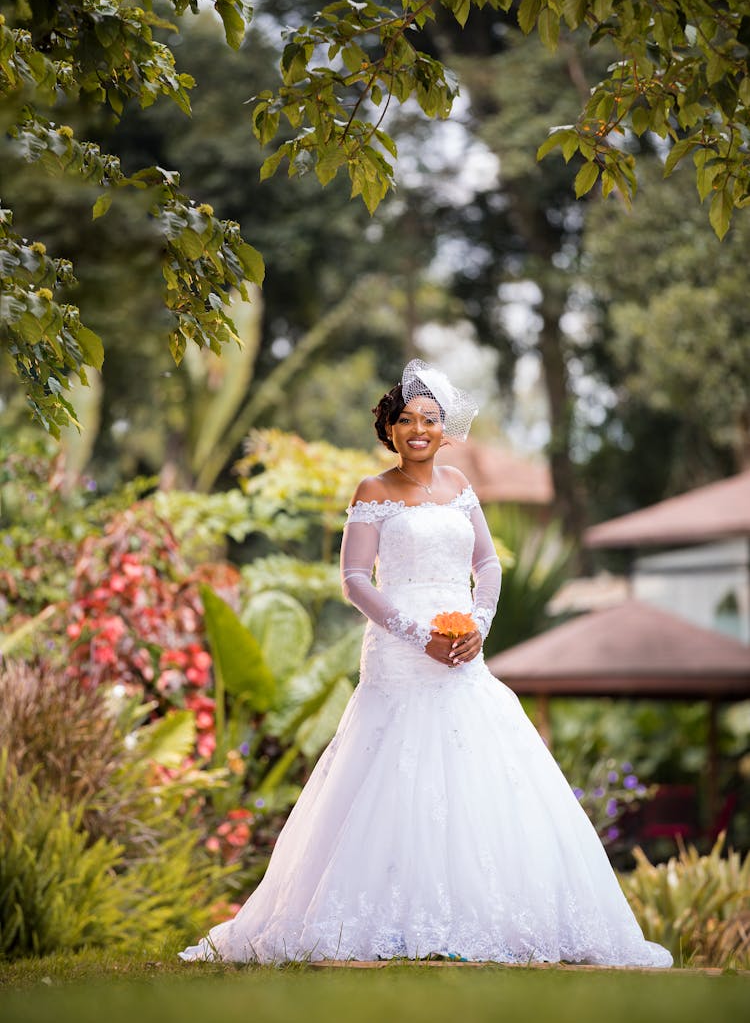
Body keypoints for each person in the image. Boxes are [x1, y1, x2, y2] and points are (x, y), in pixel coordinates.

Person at [180, 360, 672, 967]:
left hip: (464, 653)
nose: (419, 430)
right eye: (407, 420)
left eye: (430, 420)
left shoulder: (461, 486)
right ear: (388, 429)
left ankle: (483, 916)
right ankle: (380, 921)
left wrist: (479, 627)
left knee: (480, 768)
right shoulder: (372, 491)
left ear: (445, 429)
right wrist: (420, 635)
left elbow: (487, 566)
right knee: (389, 769)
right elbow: (355, 581)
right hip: (398, 652)